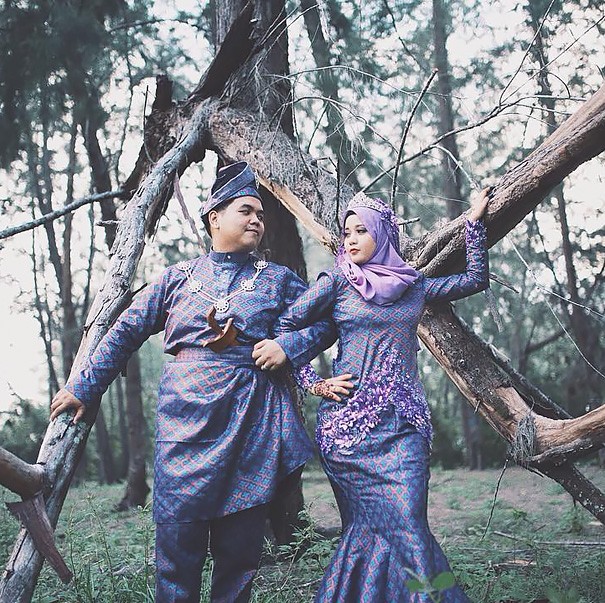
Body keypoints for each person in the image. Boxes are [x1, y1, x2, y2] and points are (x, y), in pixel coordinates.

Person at [49, 161, 339, 603]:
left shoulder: (278, 280)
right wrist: (84, 387)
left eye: (261, 215)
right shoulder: (176, 278)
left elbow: (329, 321)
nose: (257, 221)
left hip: (251, 427)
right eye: (246, 211)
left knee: (239, 560)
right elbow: (125, 332)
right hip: (183, 430)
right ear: (214, 217)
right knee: (176, 555)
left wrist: (289, 346)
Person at [253, 188, 490, 601]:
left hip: (405, 427)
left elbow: (474, 280)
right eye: (347, 232)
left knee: (409, 523)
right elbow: (284, 327)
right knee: (372, 528)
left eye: (361, 230)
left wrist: (473, 223)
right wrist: (314, 383)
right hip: (348, 433)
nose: (351, 240)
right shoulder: (337, 282)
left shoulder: (414, 286)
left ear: (383, 234)